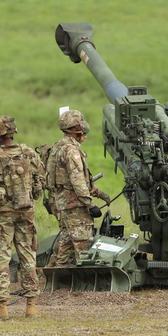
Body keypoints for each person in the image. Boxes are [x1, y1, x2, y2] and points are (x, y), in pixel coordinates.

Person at [0, 115, 46, 319]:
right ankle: (31, 306)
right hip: (27, 212)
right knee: (28, 255)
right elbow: (41, 180)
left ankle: (2, 308)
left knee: (1, 256)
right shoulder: (30, 154)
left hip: (3, 216)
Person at [45, 109, 110, 268]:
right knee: (83, 244)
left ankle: (58, 278)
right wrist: (91, 204)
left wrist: (100, 194)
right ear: (76, 128)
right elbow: (78, 181)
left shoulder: (58, 146)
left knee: (66, 243)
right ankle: (84, 282)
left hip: (63, 203)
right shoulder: (71, 150)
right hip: (74, 205)